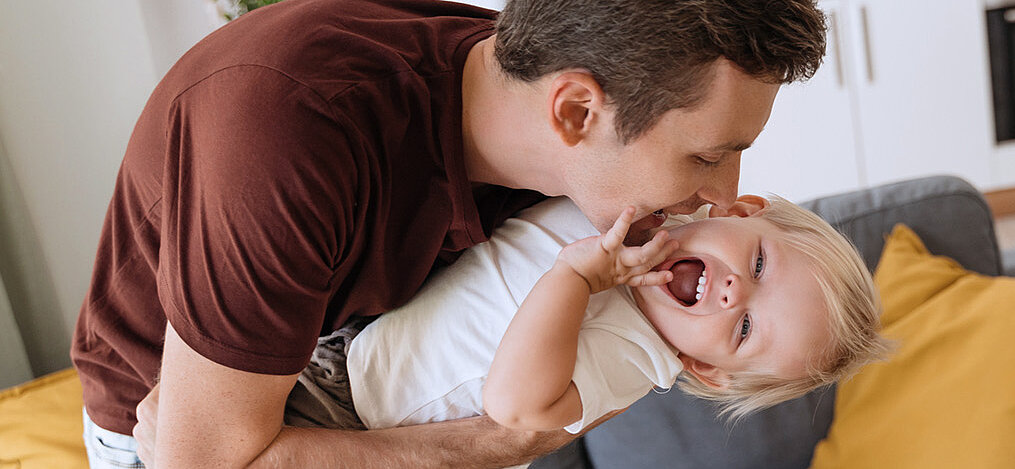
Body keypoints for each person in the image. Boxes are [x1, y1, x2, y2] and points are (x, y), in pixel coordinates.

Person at [70, 0, 828, 467]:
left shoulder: (523, 95)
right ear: (575, 113)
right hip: (172, 422)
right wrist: (497, 444)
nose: (719, 193)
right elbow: (202, 462)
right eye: (708, 153)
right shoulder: (287, 137)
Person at [281, 195, 888, 448]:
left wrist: (573, 282)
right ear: (741, 207)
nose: (733, 292)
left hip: (356, 415)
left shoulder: (633, 357)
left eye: (747, 329)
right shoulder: (650, 200)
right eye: (758, 262)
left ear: (703, 366)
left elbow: (516, 406)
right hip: (351, 329)